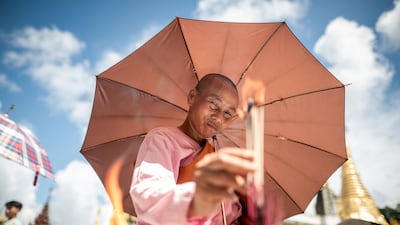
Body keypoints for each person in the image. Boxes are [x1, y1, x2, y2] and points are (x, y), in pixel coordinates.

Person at [130, 73, 258, 225]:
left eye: (227, 113)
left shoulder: (215, 156)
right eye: (213, 104)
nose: (218, 118)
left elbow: (229, 213)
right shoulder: (162, 139)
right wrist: (197, 200)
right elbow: (150, 197)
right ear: (192, 97)